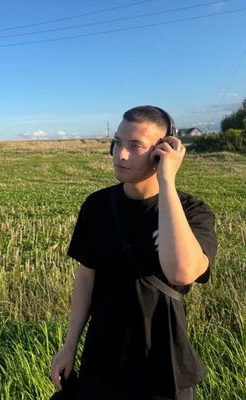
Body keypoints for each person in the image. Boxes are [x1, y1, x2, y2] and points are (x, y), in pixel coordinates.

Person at [50, 106, 217, 400]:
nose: (121, 155)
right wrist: (69, 346)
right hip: (101, 361)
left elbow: (182, 272)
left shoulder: (193, 212)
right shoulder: (97, 206)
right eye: (117, 142)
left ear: (163, 151)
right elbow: (86, 277)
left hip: (163, 367)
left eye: (135, 146)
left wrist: (167, 182)